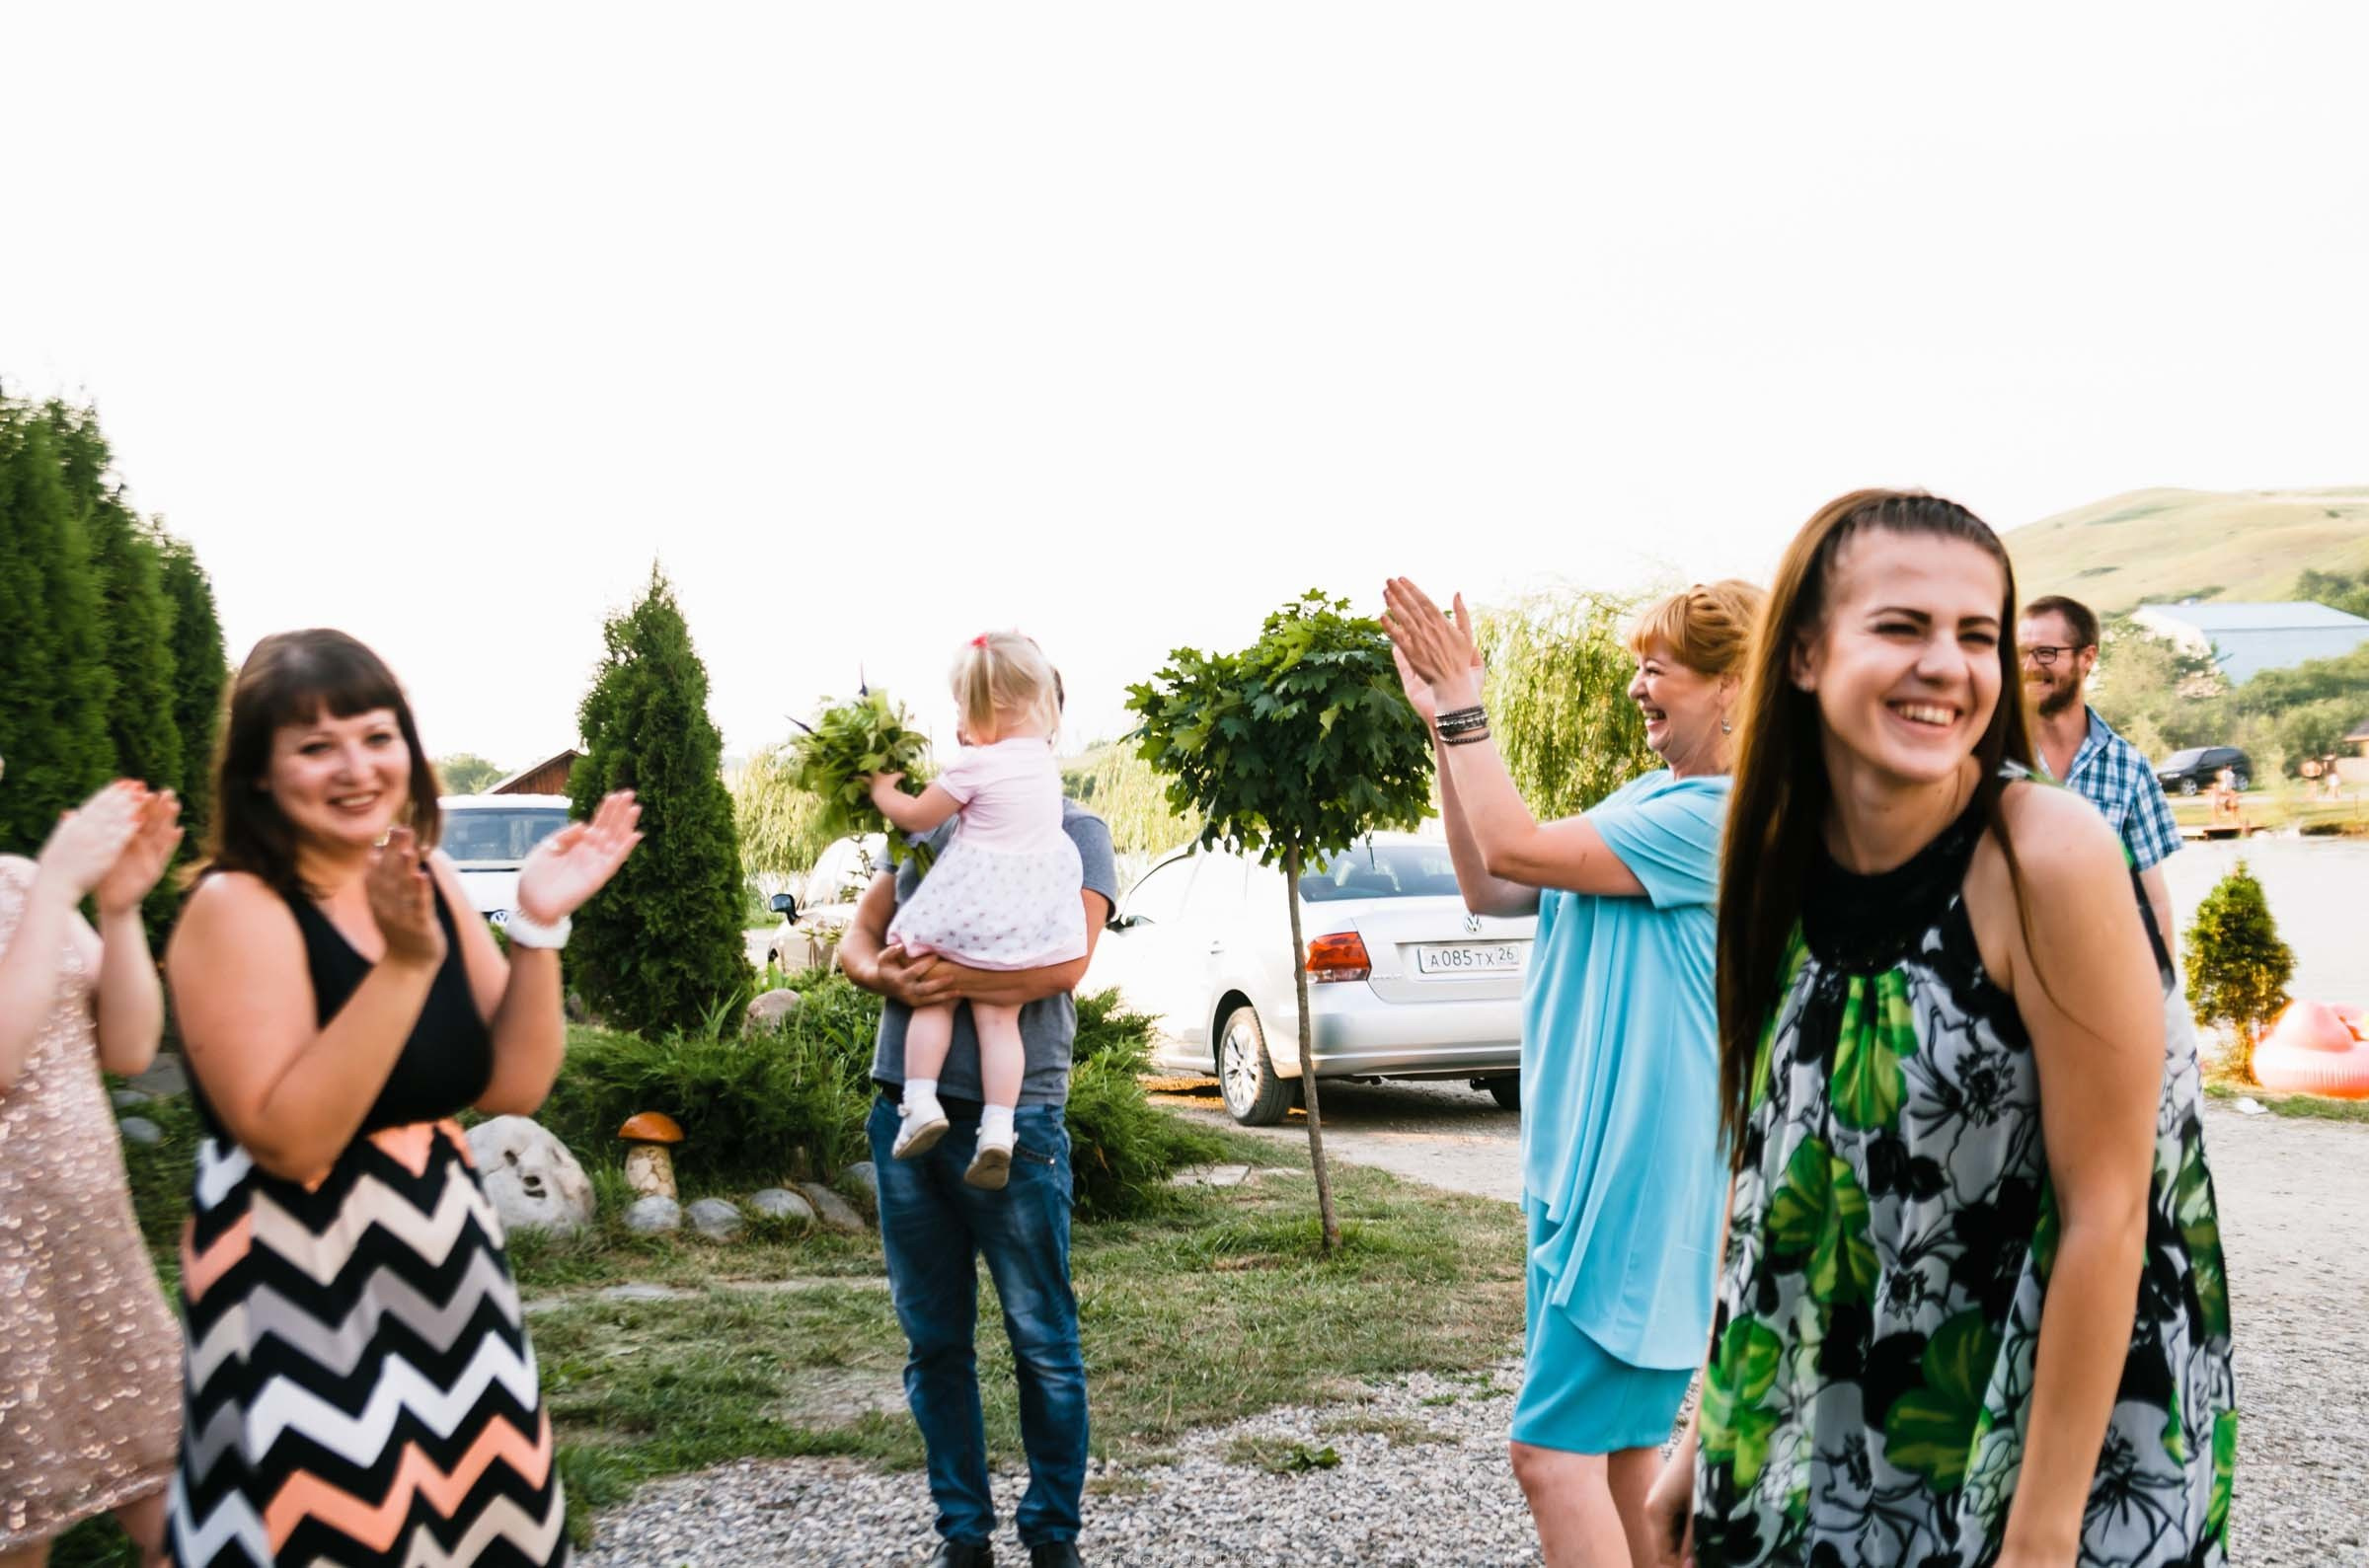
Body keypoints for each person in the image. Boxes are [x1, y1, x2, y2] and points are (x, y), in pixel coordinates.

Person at [1651, 490, 2235, 1567]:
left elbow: (2109, 1210)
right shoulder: (1775, 853)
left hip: (2042, 1423)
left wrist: (2043, 1537)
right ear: (1804, 656)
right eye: (1902, 626)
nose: (1950, 664)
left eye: (1978, 635)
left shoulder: (2046, 856)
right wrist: (1704, 1424)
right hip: (1827, 1398)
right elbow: (1772, 1170)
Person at [162, 630, 641, 1568]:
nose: (356, 766)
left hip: (441, 1241)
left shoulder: (430, 878)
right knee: (331, 1531)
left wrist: (540, 926)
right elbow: (291, 1141)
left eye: (377, 736)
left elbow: (511, 1083)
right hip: (297, 1260)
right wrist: (404, 963)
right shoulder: (235, 907)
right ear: (259, 775)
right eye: (314, 746)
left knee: (481, 1524)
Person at [1383, 575, 1763, 1568]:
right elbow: (1494, 876)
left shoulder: (1722, 814)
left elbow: (1513, 839)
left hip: (1642, 1175)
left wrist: (1470, 706)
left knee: (1549, 1454)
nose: (1638, 685)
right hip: (1601, 1170)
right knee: (1625, 1460)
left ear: (1732, 685)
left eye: (1657, 667)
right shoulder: (1656, 799)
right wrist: (1442, 726)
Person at [839, 653, 1116, 1568]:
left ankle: (1051, 1536)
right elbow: (856, 937)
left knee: (1043, 1341)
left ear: (1045, 723)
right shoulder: (936, 821)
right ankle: (964, 1534)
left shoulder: (1080, 829)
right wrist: (882, 970)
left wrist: (956, 978)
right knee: (935, 1343)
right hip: (905, 1115)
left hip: (1020, 1121)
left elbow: (1067, 965)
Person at [1, 769, 186, 1568]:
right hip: (4, 1276)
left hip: (92, 1262)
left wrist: (117, 905)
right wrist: (56, 892)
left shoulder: (16, 877)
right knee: (20, 1529)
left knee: (181, 1510)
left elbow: (131, 1047)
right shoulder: (38, 888)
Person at [866, 632, 1088, 1189]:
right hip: (1021, 921)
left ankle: (919, 1102)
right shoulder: (1040, 762)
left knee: (935, 996)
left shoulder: (973, 768)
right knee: (998, 1019)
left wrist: (881, 789)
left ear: (982, 710)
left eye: (963, 708)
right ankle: (998, 1129)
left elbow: (917, 815)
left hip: (968, 906)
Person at [2016, 594, 2181, 956]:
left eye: (2045, 652)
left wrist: (2162, 1005)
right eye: (2020, 652)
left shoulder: (2129, 768)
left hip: (2096, 975)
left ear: (2087, 658)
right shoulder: (1989, 756)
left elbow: (2155, 902)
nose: (2028, 665)